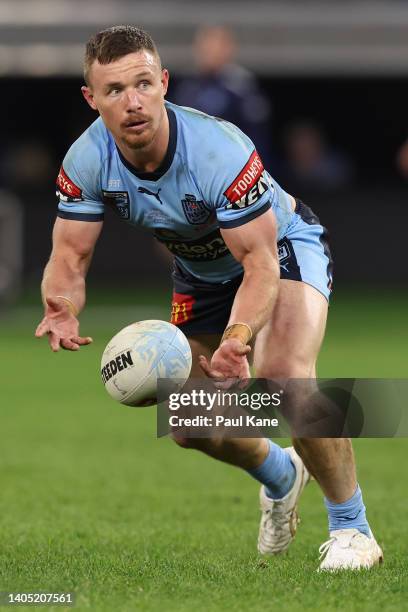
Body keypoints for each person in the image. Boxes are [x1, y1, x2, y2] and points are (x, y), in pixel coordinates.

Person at [35, 26, 382, 571]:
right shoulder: (85, 160)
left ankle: (353, 530)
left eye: (144, 84)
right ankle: (282, 474)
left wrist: (238, 339)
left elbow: (260, 265)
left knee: (285, 374)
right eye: (115, 90)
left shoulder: (217, 149)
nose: (133, 103)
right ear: (91, 99)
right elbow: (70, 257)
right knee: (191, 423)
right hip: (200, 272)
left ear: (164, 82)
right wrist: (60, 304)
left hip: (281, 247)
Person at [172, 26, 274, 170]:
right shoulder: (187, 87)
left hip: (231, 168)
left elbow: (257, 136)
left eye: (213, 47)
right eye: (204, 47)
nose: (207, 53)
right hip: (193, 167)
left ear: (227, 49)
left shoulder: (241, 87)